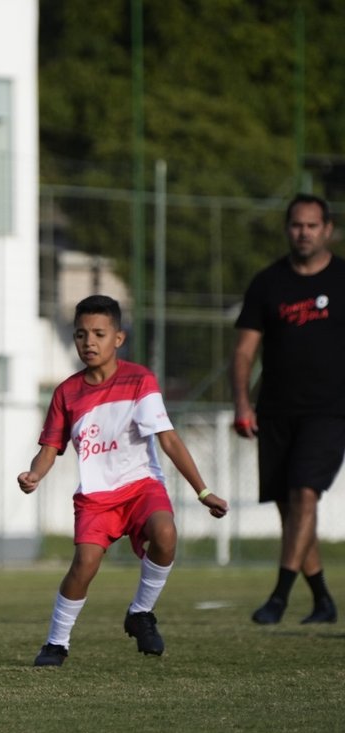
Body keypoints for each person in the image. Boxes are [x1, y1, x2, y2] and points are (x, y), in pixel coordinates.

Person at [18, 295, 228, 667]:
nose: (89, 342)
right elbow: (50, 449)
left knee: (165, 534)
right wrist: (35, 474)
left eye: (99, 333)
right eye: (81, 334)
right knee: (84, 564)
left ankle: (141, 612)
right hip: (96, 499)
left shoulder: (139, 380)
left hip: (141, 487)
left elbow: (169, 438)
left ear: (119, 337)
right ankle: (56, 643)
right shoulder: (67, 392)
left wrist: (203, 491)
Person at [232, 193, 344, 626]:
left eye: (312, 225)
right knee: (289, 507)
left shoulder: (342, 280)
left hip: (329, 411)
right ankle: (322, 601)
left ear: (327, 229)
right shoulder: (267, 284)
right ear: (287, 229)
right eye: (297, 225)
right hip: (275, 411)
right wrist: (242, 402)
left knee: (305, 494)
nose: (304, 233)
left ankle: (278, 597)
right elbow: (243, 351)